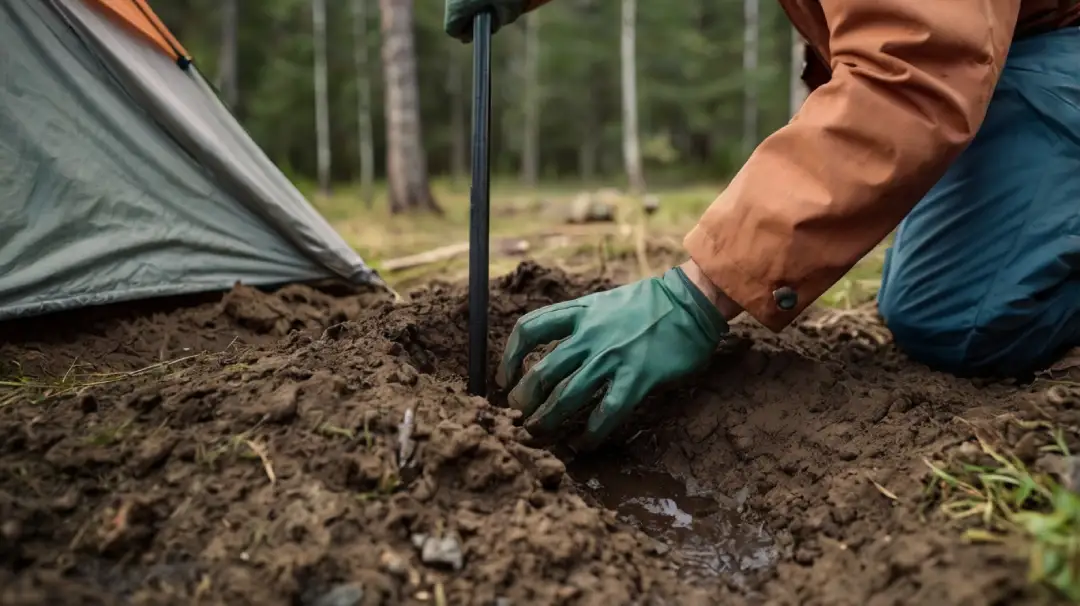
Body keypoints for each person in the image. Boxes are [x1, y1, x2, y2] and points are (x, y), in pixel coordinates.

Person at [444, 0, 1080, 447]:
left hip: (1038, 44)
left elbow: (911, 70)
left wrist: (697, 293)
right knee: (929, 299)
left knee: (963, 321)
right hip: (997, 45)